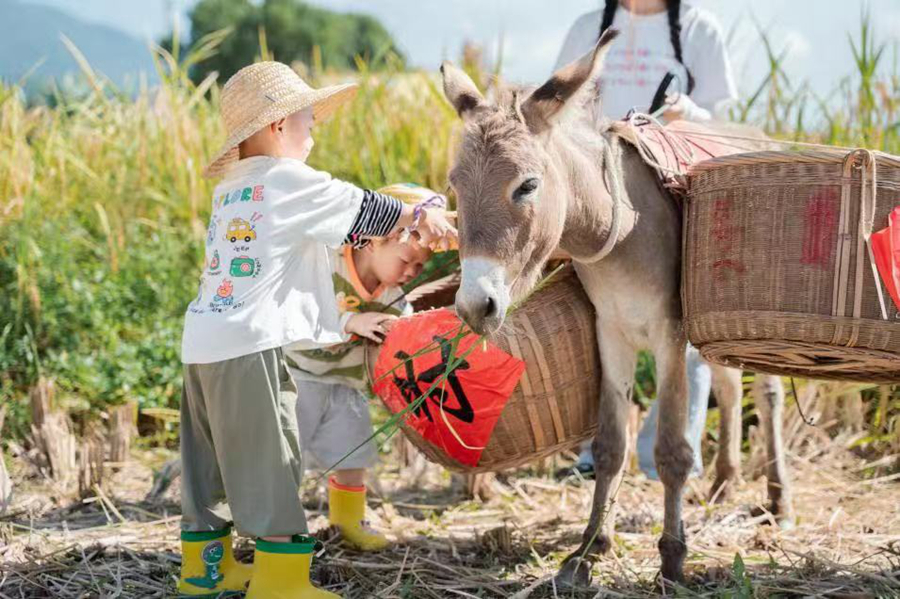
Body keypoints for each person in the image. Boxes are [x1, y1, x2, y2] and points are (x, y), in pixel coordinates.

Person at [177, 62, 455, 598]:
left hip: (203, 340)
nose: (314, 131)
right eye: (308, 119)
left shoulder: (235, 187)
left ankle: (204, 575)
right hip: (247, 344)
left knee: (206, 464)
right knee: (274, 460)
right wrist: (425, 220)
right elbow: (370, 213)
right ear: (278, 124)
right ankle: (281, 584)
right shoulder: (287, 180)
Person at [554, 0, 737, 480]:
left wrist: (686, 111)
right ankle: (594, 452)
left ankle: (669, 462)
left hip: (675, 195)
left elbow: (721, 121)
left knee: (682, 327)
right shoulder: (587, 27)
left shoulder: (700, 30)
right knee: (596, 322)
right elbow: (557, 112)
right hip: (600, 202)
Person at [284, 183, 446, 552]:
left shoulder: (393, 296)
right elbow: (297, 312)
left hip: (347, 383)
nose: (412, 271)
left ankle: (347, 519)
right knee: (287, 454)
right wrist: (350, 322)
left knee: (353, 452)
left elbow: (402, 339)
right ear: (375, 240)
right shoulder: (327, 263)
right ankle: (280, 523)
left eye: (421, 266)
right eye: (407, 260)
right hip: (300, 376)